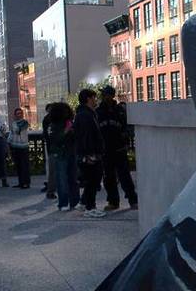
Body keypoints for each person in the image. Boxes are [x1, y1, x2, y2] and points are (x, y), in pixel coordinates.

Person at [96, 85, 138, 211]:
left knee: (125, 176)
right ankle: (113, 201)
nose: (104, 97)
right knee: (109, 177)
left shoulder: (120, 110)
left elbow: (129, 127)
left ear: (111, 95)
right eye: (103, 95)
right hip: (105, 150)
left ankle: (133, 200)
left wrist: (125, 136)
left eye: (105, 94)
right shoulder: (98, 112)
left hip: (119, 148)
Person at [73, 89, 106, 218]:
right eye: (94, 98)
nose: (95, 100)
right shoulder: (85, 115)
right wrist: (89, 154)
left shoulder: (85, 114)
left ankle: (83, 203)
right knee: (93, 180)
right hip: (89, 154)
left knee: (92, 180)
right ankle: (90, 207)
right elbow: (86, 136)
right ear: (88, 99)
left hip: (87, 153)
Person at [47, 102, 79, 211]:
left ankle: (75, 202)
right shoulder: (52, 126)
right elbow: (55, 140)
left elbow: (75, 138)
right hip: (60, 155)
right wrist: (66, 131)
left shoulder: (69, 123)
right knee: (61, 180)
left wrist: (73, 131)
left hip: (71, 153)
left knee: (73, 179)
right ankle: (63, 203)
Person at [8, 107, 32, 188]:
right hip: (15, 146)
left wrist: (14, 125)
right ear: (15, 115)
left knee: (24, 165)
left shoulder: (25, 122)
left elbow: (17, 130)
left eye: (20, 113)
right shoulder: (13, 123)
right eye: (17, 113)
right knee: (18, 165)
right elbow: (11, 133)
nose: (19, 115)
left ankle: (26, 183)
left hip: (23, 146)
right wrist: (8, 142)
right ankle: (21, 182)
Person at [41, 103, 57, 199]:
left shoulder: (48, 119)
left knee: (53, 170)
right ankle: (51, 190)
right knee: (53, 170)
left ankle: (51, 190)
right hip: (52, 148)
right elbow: (47, 135)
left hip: (52, 147)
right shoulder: (48, 120)